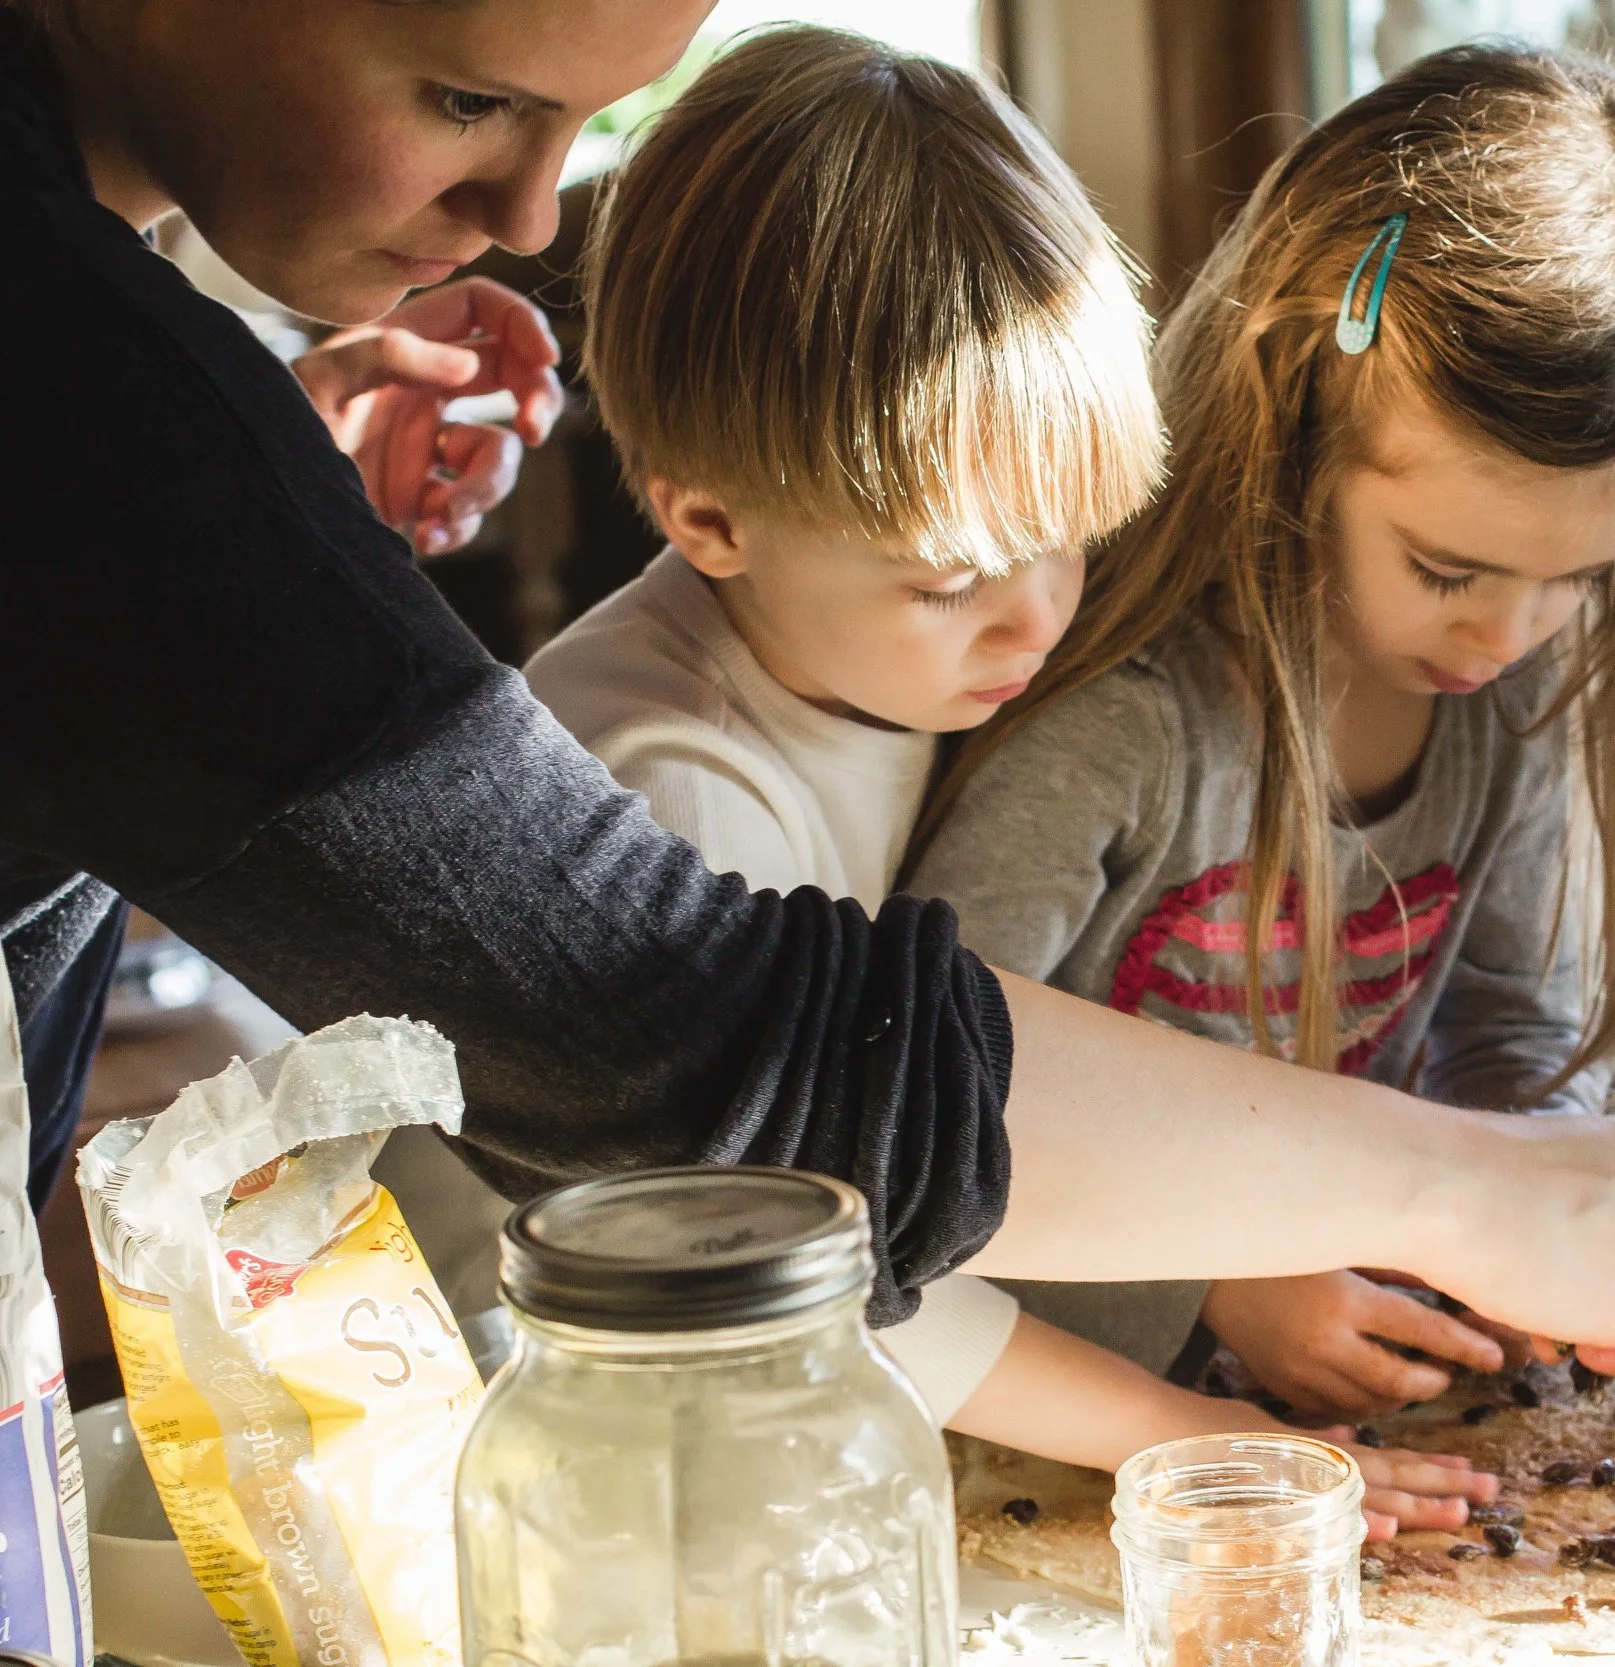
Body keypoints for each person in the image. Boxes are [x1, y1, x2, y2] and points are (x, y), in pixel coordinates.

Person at [0, 0, 1615, 1382]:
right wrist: (1456, 1187)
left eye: (582, 122)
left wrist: (265, 533)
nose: (528, 217)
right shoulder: (67, 371)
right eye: (468, 96)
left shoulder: (112, 344)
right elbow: (711, 1060)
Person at [523, 27, 1495, 1533]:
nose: (1041, 617)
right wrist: (1182, 1434)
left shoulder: (908, 644)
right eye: (958, 577)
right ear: (706, 519)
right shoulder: (668, 790)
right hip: (593, 1463)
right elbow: (827, 1269)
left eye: (1072, 534)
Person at [908, 44, 1615, 1415]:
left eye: (1580, 580)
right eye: (1450, 569)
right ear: (1292, 418)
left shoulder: (1511, 705)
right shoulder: (1124, 725)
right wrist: (1223, 1279)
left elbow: (1506, 1029)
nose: (1506, 639)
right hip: (1072, 1415)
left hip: (1345, 1408)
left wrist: (1540, 1201)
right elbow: (931, 1111)